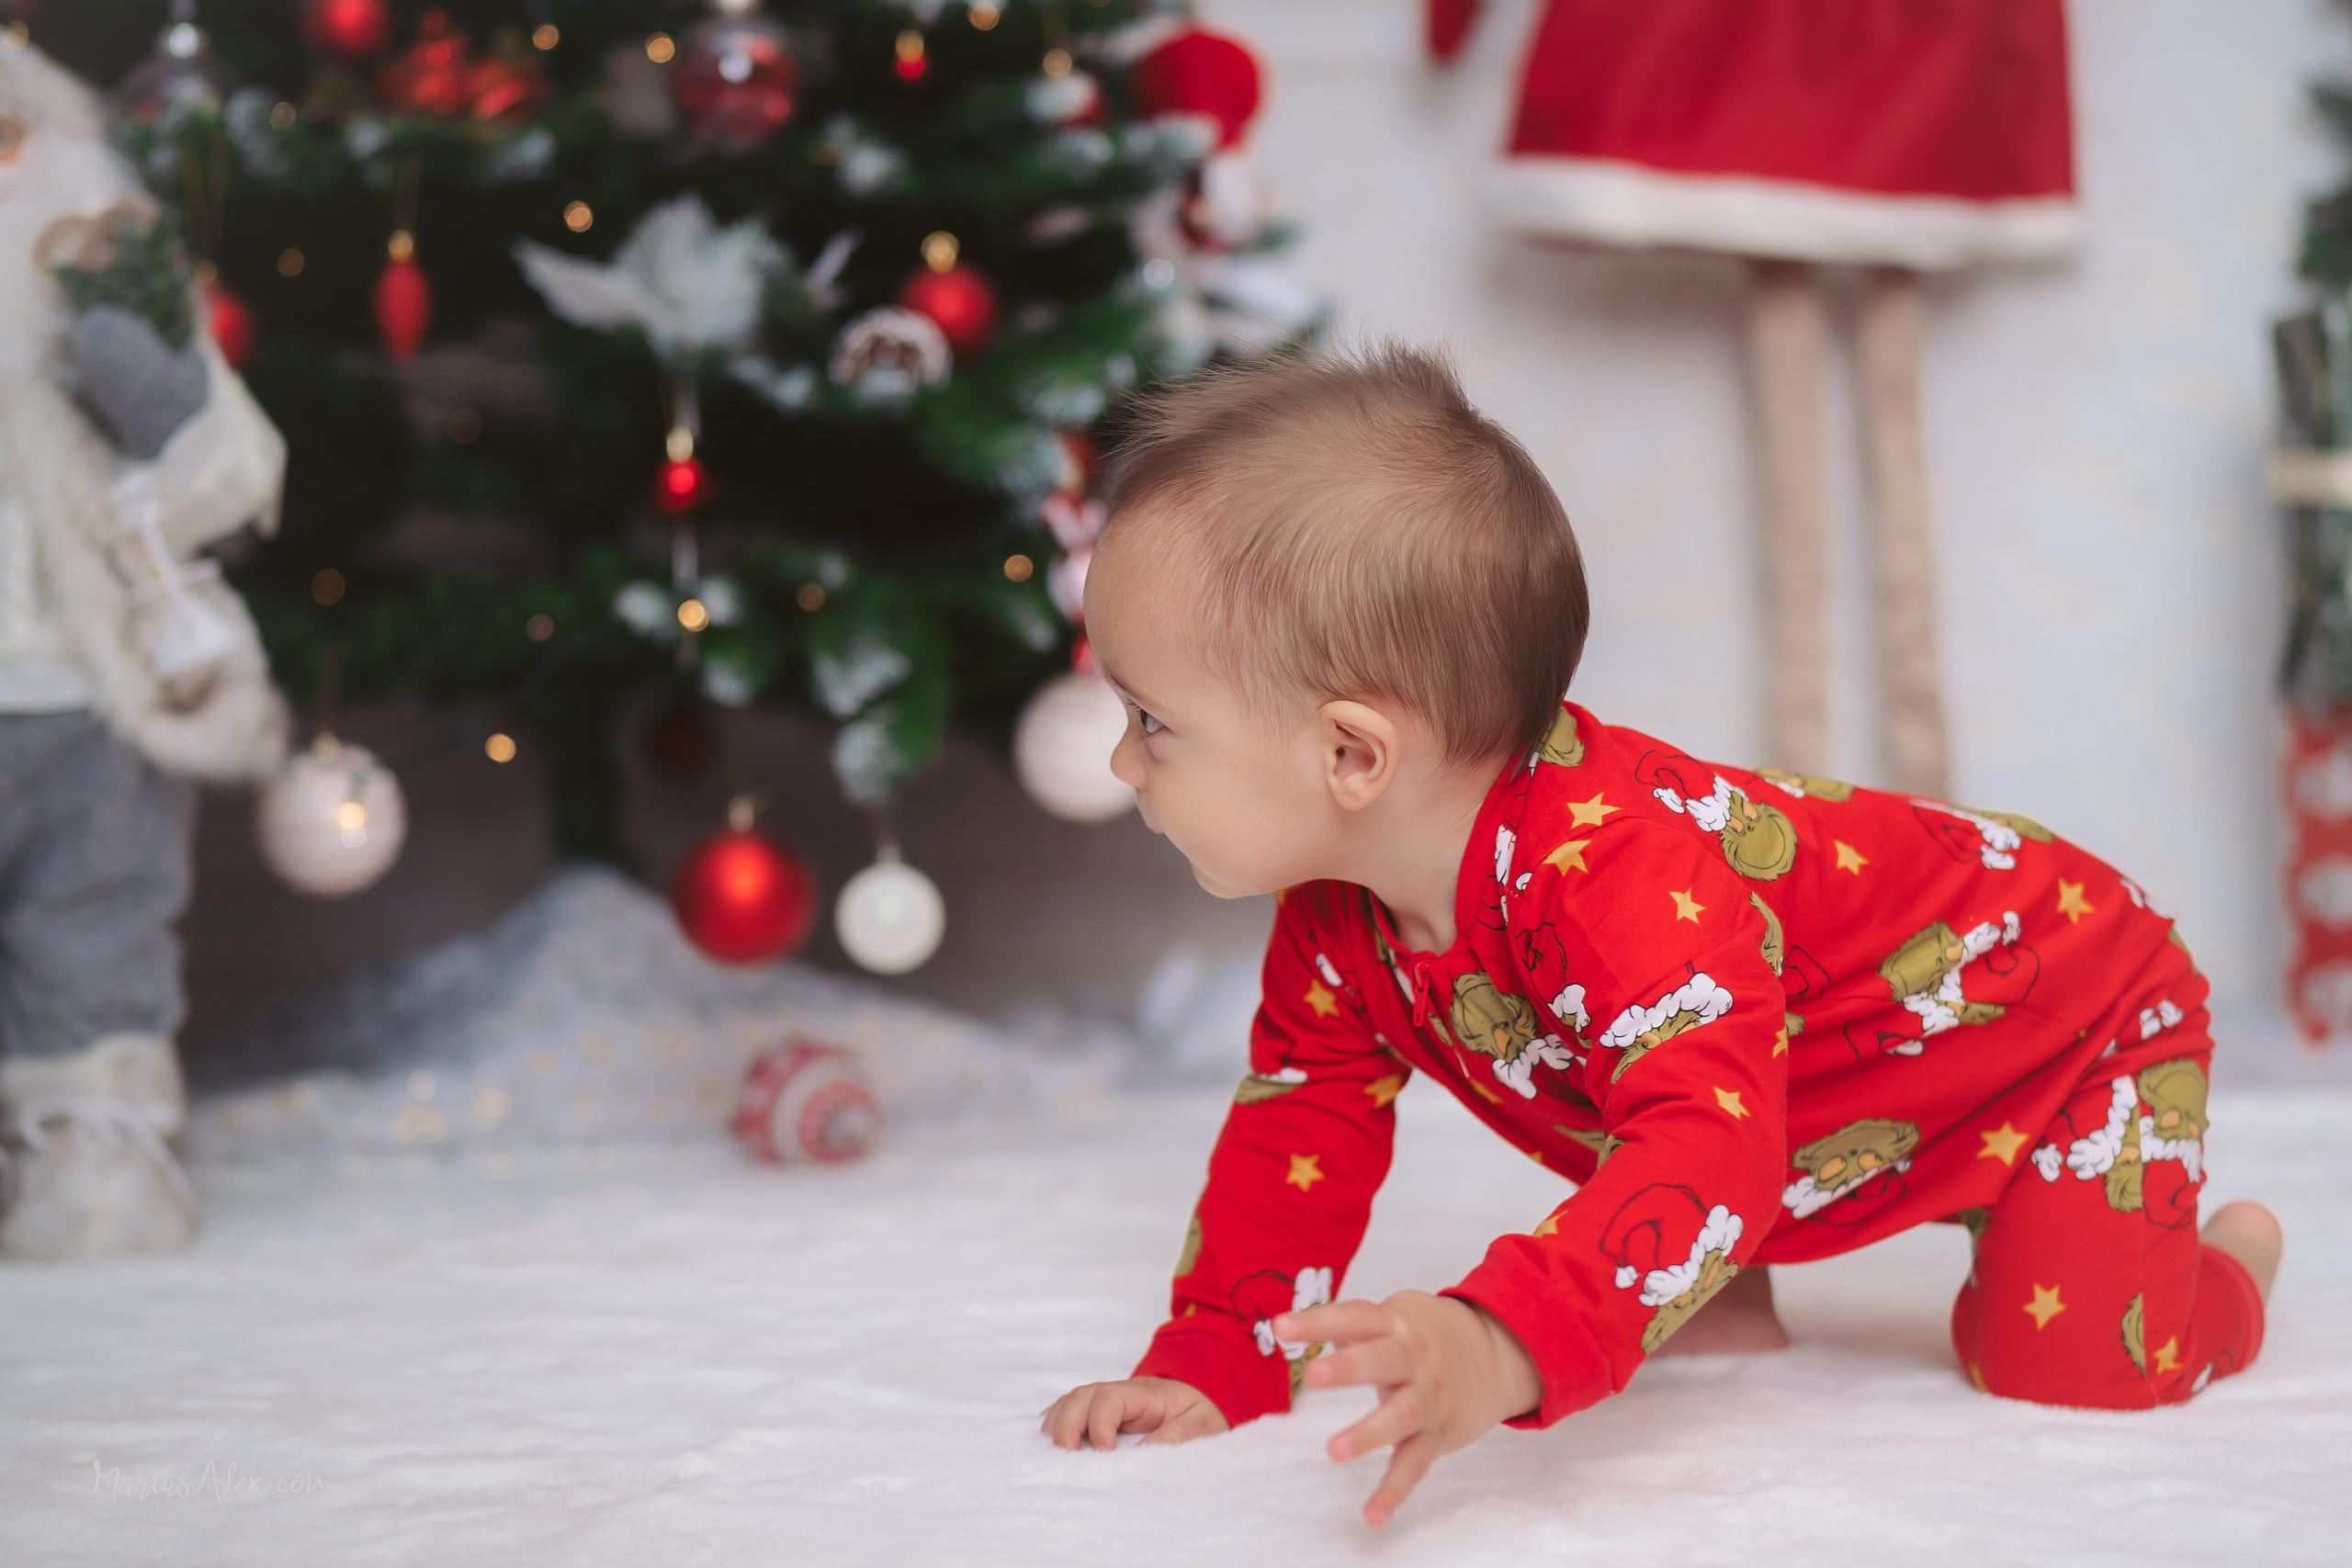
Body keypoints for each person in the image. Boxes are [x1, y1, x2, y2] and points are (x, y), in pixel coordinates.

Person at [1038, 344, 2281, 1527]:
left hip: (2073, 1011)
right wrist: (1218, 1356)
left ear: (1352, 755)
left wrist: (1505, 1339)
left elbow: (1710, 1140)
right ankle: (1723, 1281)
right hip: (1810, 1084)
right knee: (1679, 1075)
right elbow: (1301, 1119)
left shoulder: (1611, 879)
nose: (1122, 763)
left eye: (1153, 721)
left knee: (2077, 1371)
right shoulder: (1335, 913)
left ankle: (2224, 1266)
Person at [0, 37, 288, 1259]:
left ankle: (90, 1138)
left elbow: (233, 475)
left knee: (93, 903)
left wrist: (151, 385)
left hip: (81, 675)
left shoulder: (97, 262)